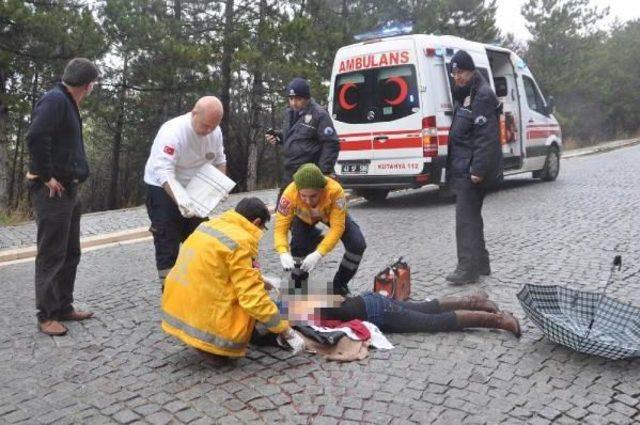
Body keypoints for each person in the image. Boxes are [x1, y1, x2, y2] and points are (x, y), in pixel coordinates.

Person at [161, 197, 305, 358]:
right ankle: (210, 346)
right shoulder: (241, 242)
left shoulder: (208, 225)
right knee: (261, 309)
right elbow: (252, 298)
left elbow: (215, 268)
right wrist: (287, 332)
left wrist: (260, 278)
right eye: (263, 228)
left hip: (176, 307)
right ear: (256, 222)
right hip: (204, 319)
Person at [26, 58, 99, 336]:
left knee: (70, 252)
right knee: (51, 254)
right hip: (52, 192)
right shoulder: (55, 100)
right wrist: (46, 176)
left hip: (69, 190)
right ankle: (46, 315)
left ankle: (63, 306)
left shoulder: (67, 102)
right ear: (88, 85)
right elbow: (35, 136)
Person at [143, 96, 227, 285]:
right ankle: (170, 292)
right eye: (205, 126)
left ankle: (198, 288)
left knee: (201, 240)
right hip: (162, 188)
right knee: (168, 241)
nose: (208, 131)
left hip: (195, 187)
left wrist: (219, 185)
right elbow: (164, 172)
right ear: (194, 113)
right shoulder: (173, 131)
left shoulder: (215, 131)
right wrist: (180, 199)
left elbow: (220, 160)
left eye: (213, 127)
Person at [445, 50, 503, 285]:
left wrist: (477, 170)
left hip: (472, 170)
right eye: (454, 72)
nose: (456, 77)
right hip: (463, 165)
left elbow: (486, 137)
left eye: (460, 72)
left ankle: (467, 268)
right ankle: (481, 263)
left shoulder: (482, 95)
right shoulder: (466, 92)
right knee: (472, 217)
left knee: (465, 220)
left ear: (470, 71)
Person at [274, 163, 366, 296]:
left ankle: (339, 285)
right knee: (299, 247)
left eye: (313, 196)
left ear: (322, 189)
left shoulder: (335, 191)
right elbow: (280, 228)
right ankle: (298, 286)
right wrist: (282, 251)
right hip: (303, 216)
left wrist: (319, 253)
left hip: (329, 214)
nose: (308, 201)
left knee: (357, 244)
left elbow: (337, 228)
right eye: (303, 196)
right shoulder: (289, 194)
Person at [320, 291, 521, 337]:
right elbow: (338, 297)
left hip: (376, 311)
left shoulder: (295, 307)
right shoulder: (302, 298)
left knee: (431, 322)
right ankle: (476, 302)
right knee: (424, 308)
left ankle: (498, 319)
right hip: (369, 301)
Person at [265, 77, 339, 199]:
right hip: (290, 172)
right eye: (291, 98)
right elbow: (297, 137)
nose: (294, 103)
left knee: (320, 211)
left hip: (310, 173)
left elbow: (331, 144)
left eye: (298, 99)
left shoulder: (319, 114)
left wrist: (323, 173)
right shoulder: (290, 113)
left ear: (307, 98)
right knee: (283, 211)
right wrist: (279, 137)